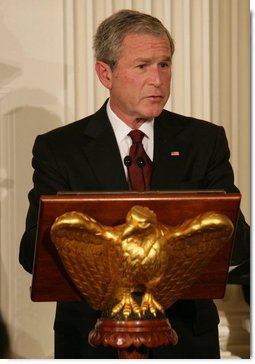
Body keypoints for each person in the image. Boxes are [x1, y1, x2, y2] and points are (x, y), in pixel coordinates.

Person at [19, 9, 250, 359]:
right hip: (91, 338)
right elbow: (33, 253)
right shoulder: (59, 149)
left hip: (185, 338)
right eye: (142, 66)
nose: (157, 79)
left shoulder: (204, 141)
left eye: (164, 65)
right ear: (105, 73)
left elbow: (238, 241)